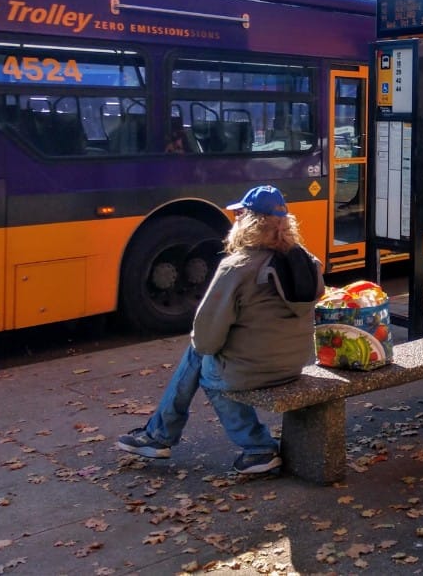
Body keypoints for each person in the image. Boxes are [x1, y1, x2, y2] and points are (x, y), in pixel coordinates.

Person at [116, 185, 324, 475]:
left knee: (205, 366)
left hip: (254, 370)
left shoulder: (236, 268)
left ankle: (255, 447)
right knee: (203, 356)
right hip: (294, 364)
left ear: (248, 222)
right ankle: (157, 435)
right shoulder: (308, 262)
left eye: (239, 215)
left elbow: (206, 339)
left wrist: (210, 346)